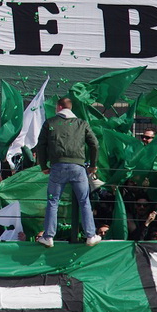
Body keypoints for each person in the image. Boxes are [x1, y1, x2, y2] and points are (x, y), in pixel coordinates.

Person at [36, 96, 102, 248]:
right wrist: (93, 165)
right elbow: (94, 144)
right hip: (78, 168)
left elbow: (41, 145)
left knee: (53, 201)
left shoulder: (50, 123)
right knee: (84, 201)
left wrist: (44, 166)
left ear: (59, 107)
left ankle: (48, 236)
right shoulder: (82, 123)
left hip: (57, 167)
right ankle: (90, 235)